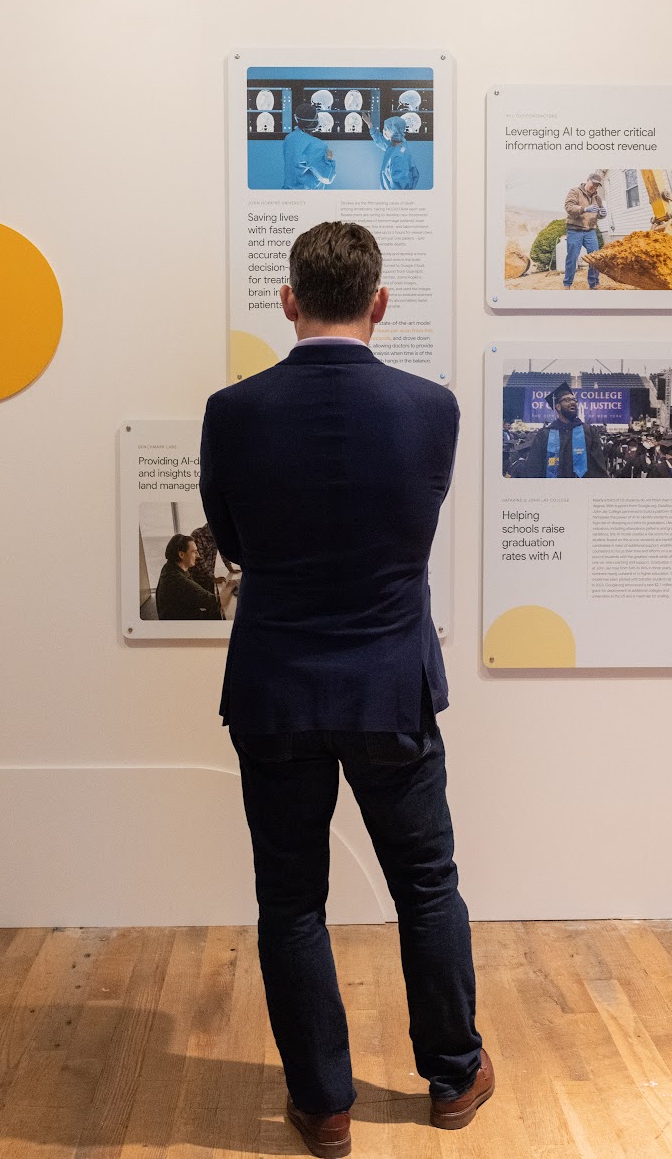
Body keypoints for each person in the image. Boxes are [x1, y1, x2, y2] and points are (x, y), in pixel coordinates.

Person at [200, 221, 490, 1157]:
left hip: (277, 684)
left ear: (288, 301)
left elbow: (234, 543)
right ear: (379, 302)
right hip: (388, 684)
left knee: (290, 900)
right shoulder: (431, 407)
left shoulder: (231, 411)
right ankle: (452, 1078)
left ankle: (324, 1104)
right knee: (426, 885)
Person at [531, 383, 610, 479]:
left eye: (574, 400)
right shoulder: (544, 435)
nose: (572, 402)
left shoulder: (589, 432)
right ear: (558, 407)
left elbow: (598, 469)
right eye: (567, 400)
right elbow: (534, 469)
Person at [154, 533, 226, 620]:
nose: (198, 555)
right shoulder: (178, 580)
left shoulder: (169, 567)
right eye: (194, 552)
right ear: (181, 555)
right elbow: (217, 602)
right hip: (182, 627)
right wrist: (230, 587)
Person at [562, 172, 607, 289]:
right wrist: (585, 208)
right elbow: (569, 207)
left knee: (595, 258)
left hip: (590, 231)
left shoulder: (597, 198)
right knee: (572, 257)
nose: (595, 187)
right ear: (588, 180)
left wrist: (602, 214)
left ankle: (594, 284)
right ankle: (567, 284)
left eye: (597, 186)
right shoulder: (575, 191)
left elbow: (599, 213)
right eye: (594, 184)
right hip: (575, 230)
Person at [281, 102, 338, 189]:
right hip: (307, 197)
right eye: (316, 117)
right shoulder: (316, 145)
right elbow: (327, 177)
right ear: (312, 122)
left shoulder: (289, 138)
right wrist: (329, 158)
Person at [370, 113, 420, 190]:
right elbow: (380, 141)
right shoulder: (397, 146)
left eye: (386, 129)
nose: (384, 131)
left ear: (392, 132)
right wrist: (370, 125)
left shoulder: (398, 157)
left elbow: (398, 188)